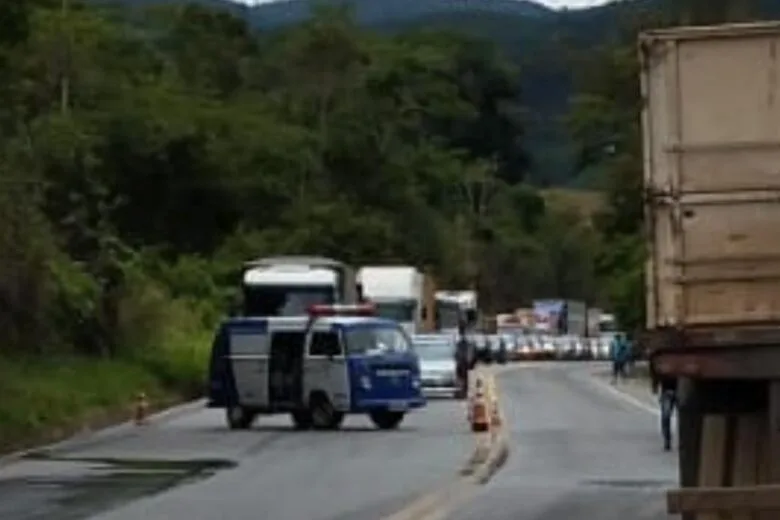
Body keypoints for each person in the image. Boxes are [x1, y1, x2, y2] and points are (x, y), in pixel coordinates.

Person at [649, 351, 678, 451]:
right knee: (665, 416)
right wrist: (655, 385)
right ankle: (667, 440)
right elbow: (655, 370)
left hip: (681, 390)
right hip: (667, 391)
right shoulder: (661, 358)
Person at [454, 321, 472, 400]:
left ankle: (462, 392)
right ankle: (462, 392)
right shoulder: (464, 341)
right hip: (462, 361)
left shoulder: (461, 341)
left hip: (462, 361)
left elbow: (459, 352)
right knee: (463, 377)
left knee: (462, 377)